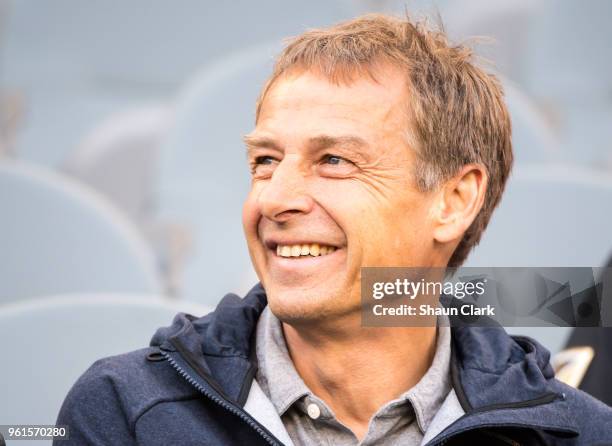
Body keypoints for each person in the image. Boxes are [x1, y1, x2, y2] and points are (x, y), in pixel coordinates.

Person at [55, 14, 612, 445]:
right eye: (265, 162)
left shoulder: (578, 433)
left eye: (334, 161)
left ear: (453, 200)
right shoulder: (124, 412)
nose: (273, 198)